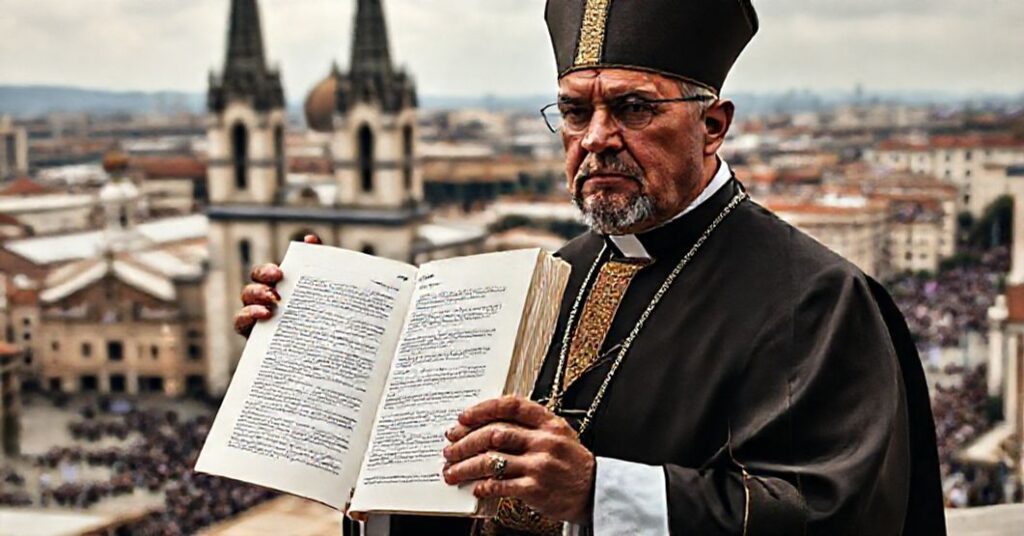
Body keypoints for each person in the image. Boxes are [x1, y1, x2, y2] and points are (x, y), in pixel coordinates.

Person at [235, 1, 945, 534]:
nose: (598, 138)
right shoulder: (549, 278)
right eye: (575, 113)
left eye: (633, 108)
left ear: (713, 124)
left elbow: (837, 517)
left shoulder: (816, 300)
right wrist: (326, 359)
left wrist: (601, 493)